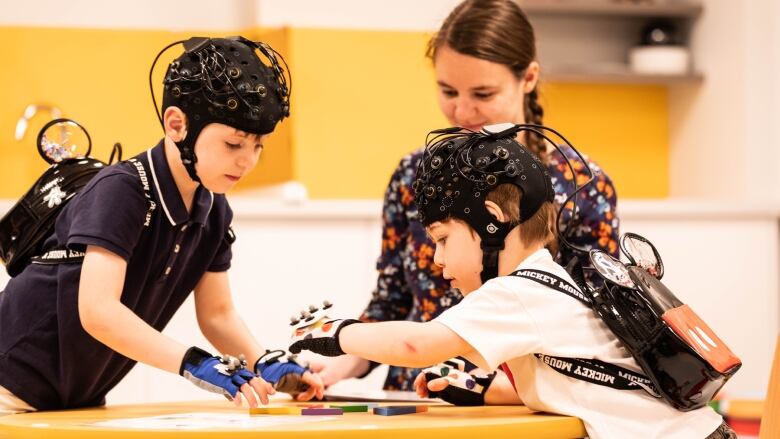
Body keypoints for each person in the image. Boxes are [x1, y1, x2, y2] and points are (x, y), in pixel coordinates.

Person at [289, 127, 735, 439]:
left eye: (443, 240)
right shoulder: (550, 283)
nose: (437, 260)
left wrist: (339, 332)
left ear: (493, 222)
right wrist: (482, 390)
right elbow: (569, 387)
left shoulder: (518, 292)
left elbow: (415, 346)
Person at [0, 36, 324, 414]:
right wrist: (193, 363)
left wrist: (267, 365)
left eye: (258, 146)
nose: (247, 161)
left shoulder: (214, 209)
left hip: (77, 400)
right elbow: (98, 311)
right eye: (234, 145)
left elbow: (217, 315)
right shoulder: (122, 190)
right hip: (8, 388)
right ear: (177, 124)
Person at [312, 0, 620, 390]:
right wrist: (333, 368)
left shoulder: (581, 184)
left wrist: (491, 387)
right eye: (448, 90)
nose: (462, 110)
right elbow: (391, 302)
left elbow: (599, 322)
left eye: (483, 93)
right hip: (418, 400)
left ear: (528, 78)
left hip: (523, 405)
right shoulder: (414, 174)